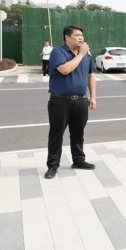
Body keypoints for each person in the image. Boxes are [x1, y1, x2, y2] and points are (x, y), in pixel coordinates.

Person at [44, 26, 97, 179]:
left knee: (78, 133)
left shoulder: (86, 55)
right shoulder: (58, 52)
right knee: (56, 134)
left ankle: (79, 160)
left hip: (80, 101)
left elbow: (91, 76)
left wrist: (93, 97)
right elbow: (65, 70)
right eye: (77, 35)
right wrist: (80, 54)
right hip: (60, 101)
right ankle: (53, 166)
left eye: (82, 35)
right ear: (67, 37)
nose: (81, 38)